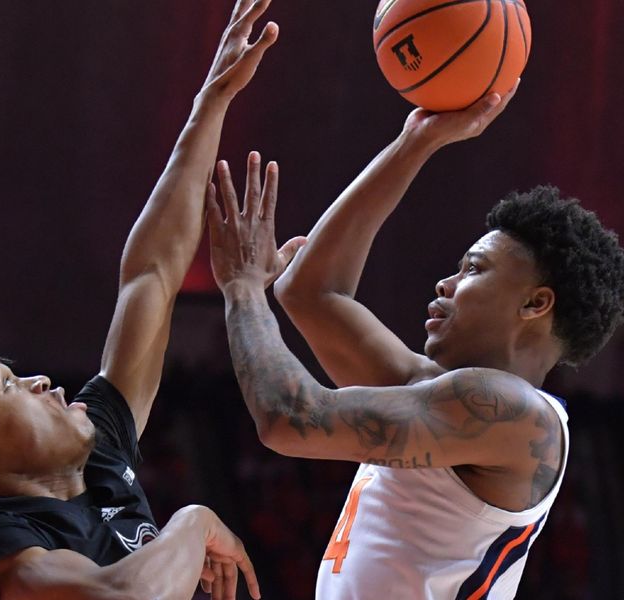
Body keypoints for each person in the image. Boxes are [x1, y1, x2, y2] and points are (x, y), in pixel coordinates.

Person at [0, 1, 278, 598]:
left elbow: (151, 275)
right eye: (9, 386)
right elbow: (119, 596)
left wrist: (209, 105)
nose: (39, 381)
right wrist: (192, 523)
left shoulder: (100, 454)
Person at [205, 87, 624, 599]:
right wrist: (416, 142)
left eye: (473, 268)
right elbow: (310, 292)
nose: (445, 283)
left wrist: (243, 291)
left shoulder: (516, 416)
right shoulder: (442, 397)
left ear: (536, 304)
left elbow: (287, 418)